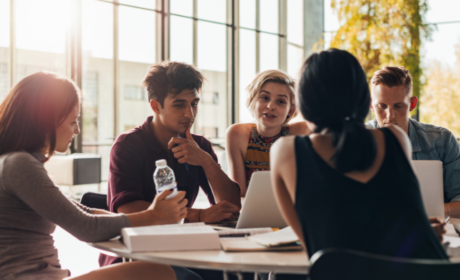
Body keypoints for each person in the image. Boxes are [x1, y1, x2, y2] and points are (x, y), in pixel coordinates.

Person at [0, 71, 190, 280]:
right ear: (47, 120)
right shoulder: (19, 164)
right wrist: (153, 216)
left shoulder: (17, 162)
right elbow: (86, 227)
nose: (78, 131)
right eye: (73, 122)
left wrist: (151, 218)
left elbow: (85, 212)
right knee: (157, 271)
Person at [271, 49, 448, 261]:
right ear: (364, 99)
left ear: (303, 100)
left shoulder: (285, 152)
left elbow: (317, 246)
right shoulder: (396, 139)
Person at [100, 61, 241, 279]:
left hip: (181, 246)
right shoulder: (128, 145)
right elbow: (127, 210)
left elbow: (232, 205)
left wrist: (205, 160)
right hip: (134, 253)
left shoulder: (200, 146)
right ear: (156, 106)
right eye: (179, 104)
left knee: (239, 272)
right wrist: (199, 215)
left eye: (194, 103)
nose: (189, 113)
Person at [366, 66, 460, 218]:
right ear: (371, 105)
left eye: (398, 106)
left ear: (412, 104)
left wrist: (435, 211)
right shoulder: (355, 141)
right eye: (381, 106)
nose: (390, 116)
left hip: (428, 231)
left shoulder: (443, 142)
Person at [226, 70, 309, 197]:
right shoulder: (237, 134)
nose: (270, 106)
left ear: (290, 111)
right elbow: (240, 193)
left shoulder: (300, 131)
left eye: (281, 101)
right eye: (264, 98)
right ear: (253, 101)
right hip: (253, 212)